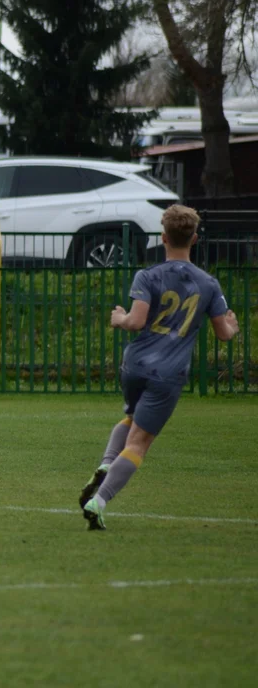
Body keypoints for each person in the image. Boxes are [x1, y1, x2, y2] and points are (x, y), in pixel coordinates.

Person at [79, 205, 239, 531]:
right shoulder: (208, 284)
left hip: (135, 365)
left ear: (163, 237)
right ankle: (101, 500)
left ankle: (108, 463)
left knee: (130, 418)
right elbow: (223, 334)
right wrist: (233, 328)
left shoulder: (148, 275)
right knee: (139, 443)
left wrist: (119, 318)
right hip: (168, 373)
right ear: (194, 238)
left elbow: (135, 322)